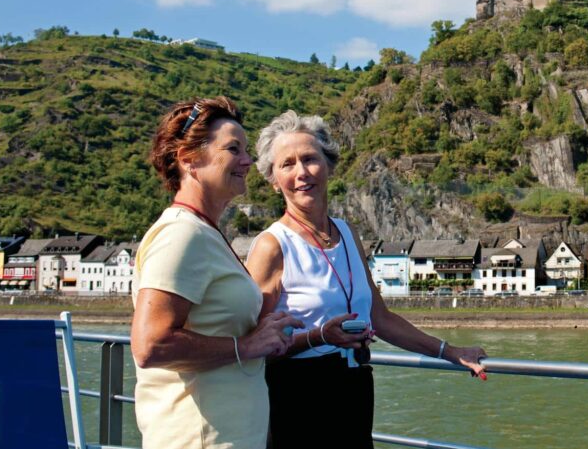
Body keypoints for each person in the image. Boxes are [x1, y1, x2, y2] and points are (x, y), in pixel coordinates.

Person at [247, 110, 488, 448]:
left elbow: (380, 317)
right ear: (273, 180)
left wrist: (451, 352)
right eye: (287, 164)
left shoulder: (347, 232)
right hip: (298, 399)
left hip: (355, 389)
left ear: (329, 166)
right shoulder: (272, 246)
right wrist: (318, 337)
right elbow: (254, 348)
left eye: (310, 159)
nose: (301, 172)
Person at [131, 97, 303, 449]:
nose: (248, 160)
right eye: (233, 149)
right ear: (190, 159)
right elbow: (151, 345)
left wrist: (259, 334)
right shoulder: (182, 235)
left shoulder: (205, 233)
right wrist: (247, 345)